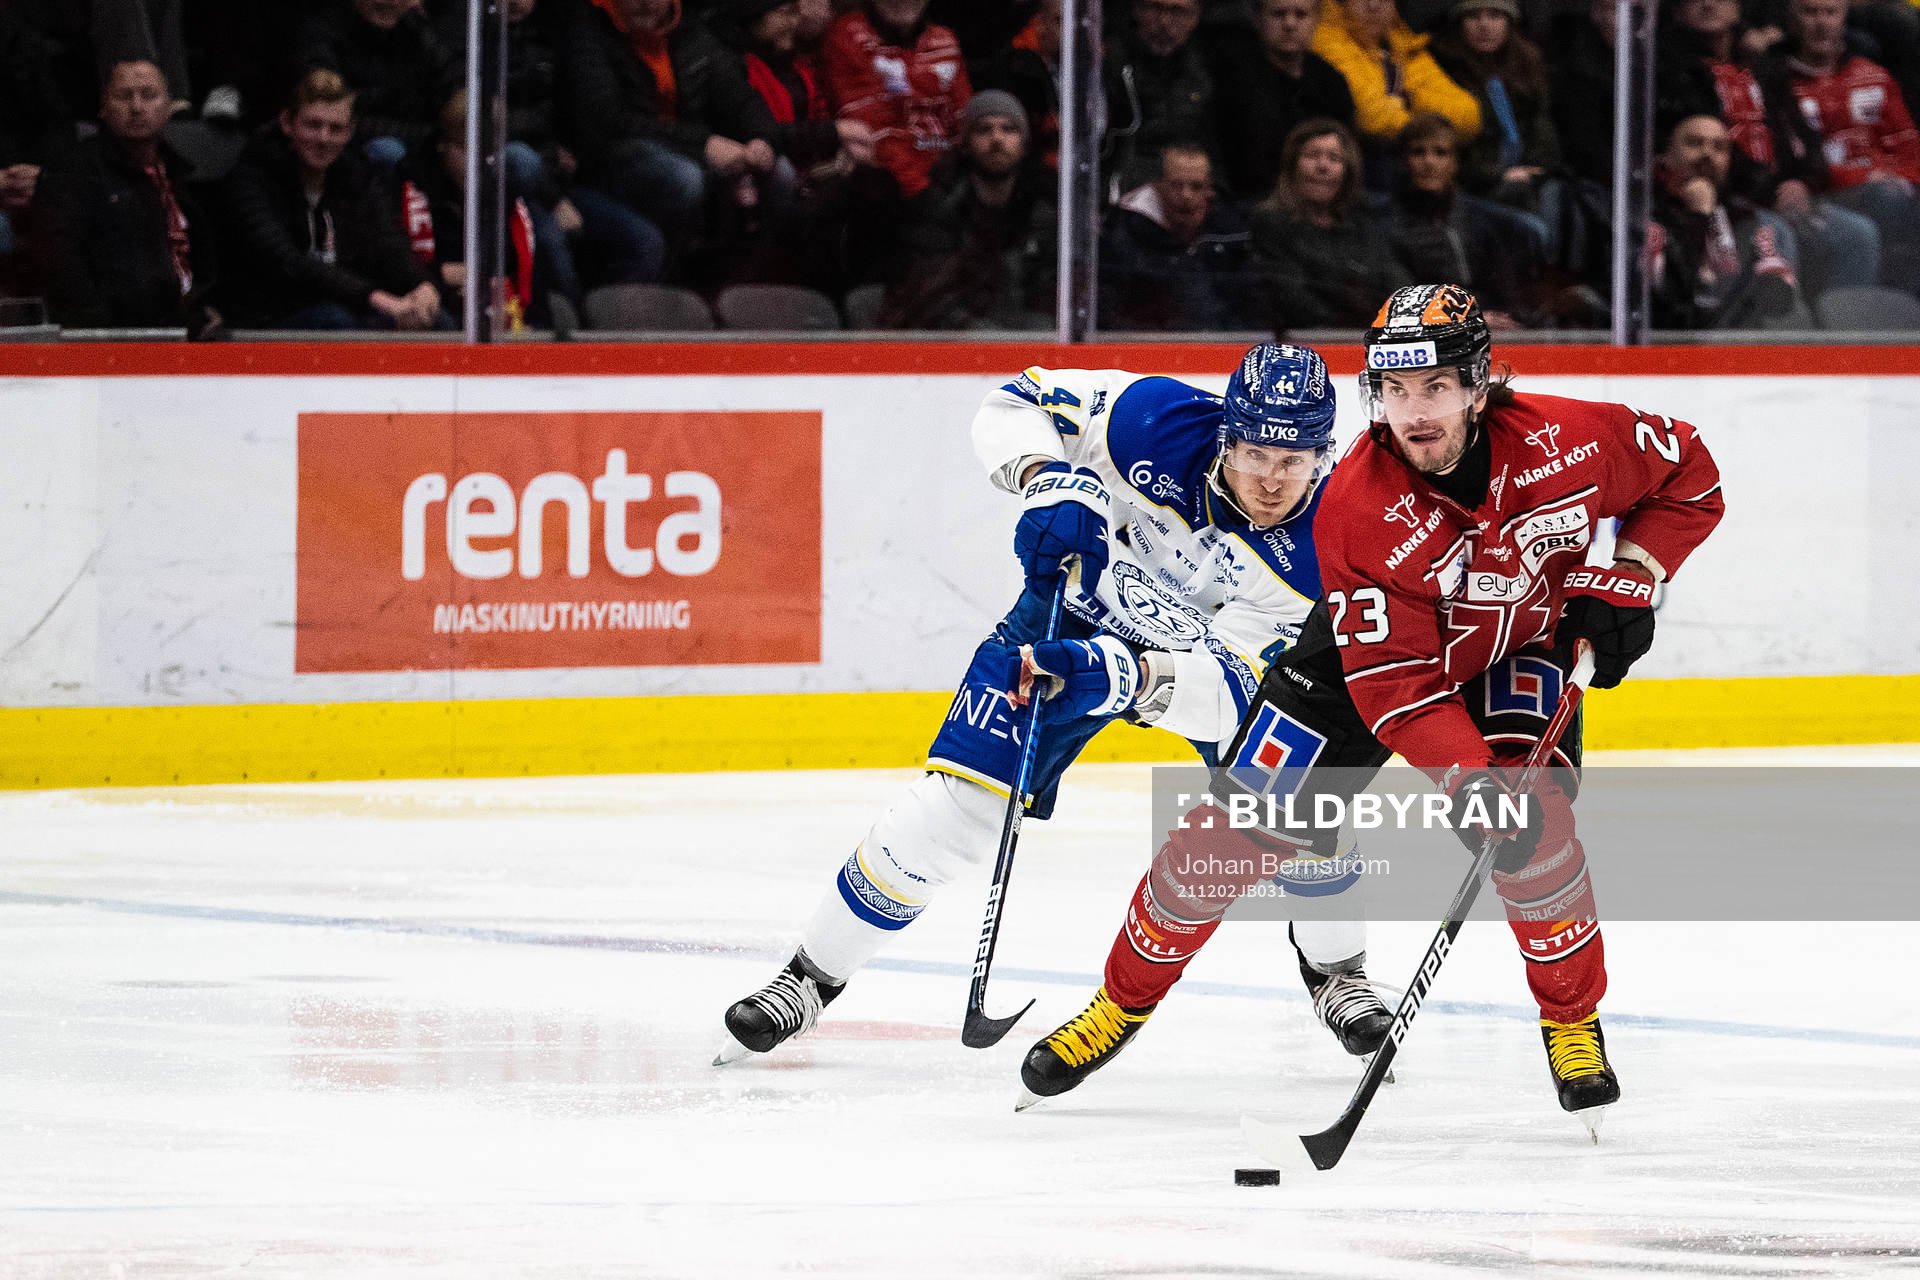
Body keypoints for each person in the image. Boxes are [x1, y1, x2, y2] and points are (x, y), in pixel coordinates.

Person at [1022, 284, 1725, 1126]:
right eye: (1392, 390)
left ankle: (1572, 1022)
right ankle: (1119, 1006)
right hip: (1369, 669)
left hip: (1517, 647)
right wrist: (1468, 783)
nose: (1412, 412)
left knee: (1535, 838)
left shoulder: (1572, 439)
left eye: (1432, 387)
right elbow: (1397, 689)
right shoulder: (1357, 507)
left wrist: (1634, 576)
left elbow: (1690, 474)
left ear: (1479, 383)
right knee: (1225, 837)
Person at [716, 342, 1353, 1064]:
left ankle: (1338, 971)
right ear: (1224, 434)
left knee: (1301, 796)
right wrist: (1051, 481)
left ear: (1323, 455)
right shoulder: (1149, 419)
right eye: (1254, 453)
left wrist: (1129, 678)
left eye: (1294, 460)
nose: (1271, 480)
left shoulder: (1325, 545)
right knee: (953, 811)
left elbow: (1236, 692)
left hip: (1186, 667)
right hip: (1066, 619)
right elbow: (1018, 400)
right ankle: (806, 979)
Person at [220, 68, 444, 330]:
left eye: (335, 128)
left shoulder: (358, 175)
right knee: (336, 322)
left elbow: (388, 240)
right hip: (269, 314)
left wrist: (422, 285)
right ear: (287, 123)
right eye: (313, 125)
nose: (324, 138)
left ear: (349, 132)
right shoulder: (252, 177)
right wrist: (378, 299)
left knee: (437, 321)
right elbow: (286, 260)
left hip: (348, 304)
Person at [36, 58, 218, 334]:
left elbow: (200, 253)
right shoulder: (75, 171)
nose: (136, 107)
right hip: (112, 337)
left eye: (148, 95)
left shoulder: (181, 172)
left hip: (184, 329)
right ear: (104, 107)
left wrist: (207, 306)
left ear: (169, 106)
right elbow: (61, 261)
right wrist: (100, 329)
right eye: (123, 96)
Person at [881, 89, 1055, 328]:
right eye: (984, 129)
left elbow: (1060, 289)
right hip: (957, 342)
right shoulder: (940, 205)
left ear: (1024, 143)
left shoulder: (1047, 207)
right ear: (966, 143)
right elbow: (927, 294)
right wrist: (974, 330)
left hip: (1032, 339)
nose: (997, 139)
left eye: (1009, 129)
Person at [1780, 0, 1920, 282]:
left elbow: (1911, 151)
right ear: (1793, 23)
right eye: (1810, 12)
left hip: (1889, 191)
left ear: (1844, 20)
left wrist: (1894, 177)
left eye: (1830, 13)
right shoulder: (1779, 83)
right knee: (1885, 201)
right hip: (1824, 195)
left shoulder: (1874, 76)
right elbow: (1795, 165)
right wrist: (1866, 178)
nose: (1822, 23)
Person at [1248, 117, 1411, 330]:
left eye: (1334, 158)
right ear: (1292, 165)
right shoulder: (1270, 223)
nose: (1323, 166)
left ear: (1347, 171)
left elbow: (1396, 283)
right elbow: (1293, 298)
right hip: (1312, 340)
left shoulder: (1363, 223)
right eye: (1312, 156)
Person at [1383, 113, 1544, 325]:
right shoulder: (1387, 224)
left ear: (1454, 163)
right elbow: (1400, 301)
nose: (1429, 162)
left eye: (1440, 153)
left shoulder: (1481, 222)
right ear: (1404, 161)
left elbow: (1508, 292)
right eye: (1418, 152)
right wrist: (1470, 319)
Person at [1649, 114, 1807, 328]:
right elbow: (1662, 299)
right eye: (1694, 143)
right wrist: (1699, 216)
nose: (1707, 153)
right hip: (1666, 348)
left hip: (1735, 347)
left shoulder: (1753, 222)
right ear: (1666, 156)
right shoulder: (1644, 219)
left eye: (1719, 147)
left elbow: (1778, 302)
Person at [1309, 0, 1480, 188]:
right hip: (1359, 176)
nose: (1373, 6)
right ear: (1342, 4)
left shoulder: (1401, 43)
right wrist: (1425, 123)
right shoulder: (1326, 39)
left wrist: (1411, 103)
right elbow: (1372, 117)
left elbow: (1468, 115)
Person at [1207, 0, 1356, 203]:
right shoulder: (1232, 81)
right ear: (1258, 20)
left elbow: (1347, 150)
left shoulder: (1331, 81)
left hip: (1322, 199)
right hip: (1252, 200)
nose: (1289, 24)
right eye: (1278, 14)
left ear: (1316, 21)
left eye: (1300, 15)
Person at [822, 0, 972, 200]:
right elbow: (872, 130)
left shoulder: (945, 40)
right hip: (894, 185)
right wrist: (923, 189)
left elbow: (966, 120)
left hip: (947, 176)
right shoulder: (848, 35)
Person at [1099, 142, 1257, 330]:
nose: (1186, 195)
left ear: (1209, 189)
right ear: (1158, 186)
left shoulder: (1232, 234)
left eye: (1196, 187)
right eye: (1176, 185)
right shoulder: (1123, 236)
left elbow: (1252, 305)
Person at [296, 0, 456, 168]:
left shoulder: (419, 29)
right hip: (351, 142)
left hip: (418, 137)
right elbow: (329, 113)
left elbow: (451, 77)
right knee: (389, 150)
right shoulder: (325, 30)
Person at [1104, 0, 1219, 193]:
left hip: (1191, 187)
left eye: (1177, 11)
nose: (1164, 21)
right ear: (1136, 9)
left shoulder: (1209, 69)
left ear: (1195, 17)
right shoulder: (1108, 64)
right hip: (1129, 189)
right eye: (1154, 8)